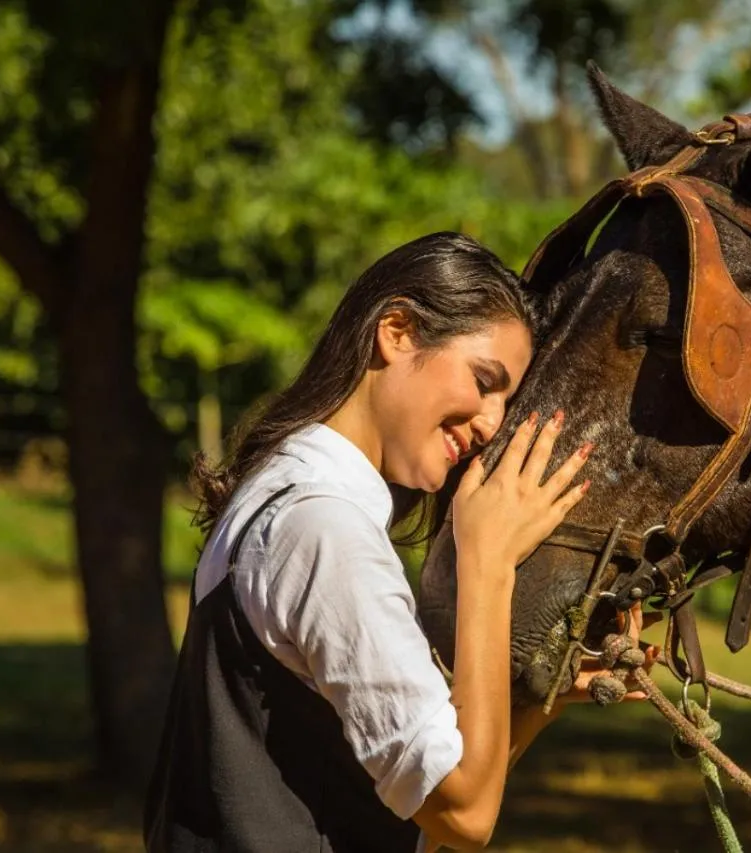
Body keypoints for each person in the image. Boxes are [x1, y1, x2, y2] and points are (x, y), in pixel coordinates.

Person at [144, 232, 649, 853]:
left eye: (506, 402)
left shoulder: (284, 491)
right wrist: (488, 563)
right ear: (398, 331)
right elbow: (465, 817)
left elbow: (416, 815)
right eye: (484, 380)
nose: (492, 424)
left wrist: (540, 706)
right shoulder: (324, 528)